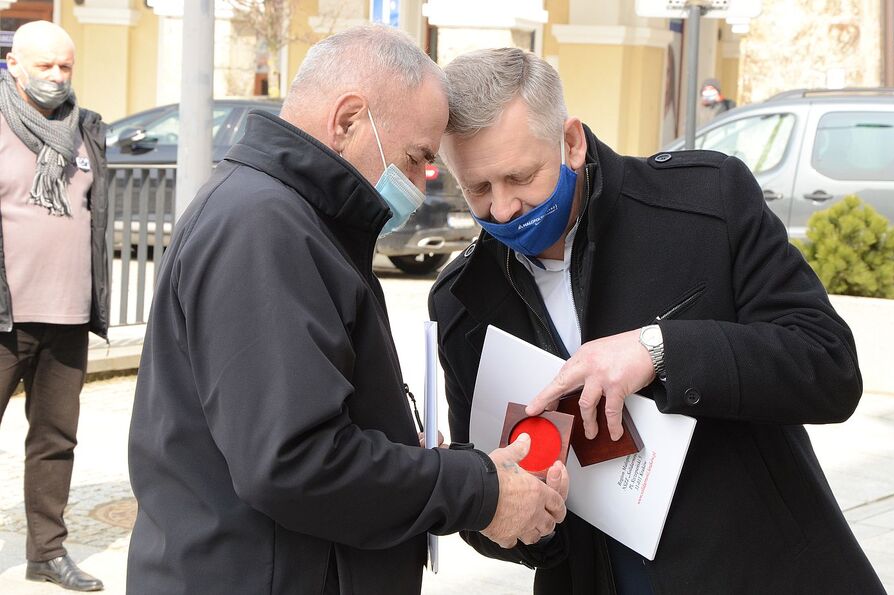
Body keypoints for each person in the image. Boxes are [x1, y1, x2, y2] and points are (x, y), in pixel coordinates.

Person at [126, 25, 568, 595]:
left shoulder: (296, 219)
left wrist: (411, 454)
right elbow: (295, 463)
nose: (419, 181)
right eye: (416, 158)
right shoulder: (266, 228)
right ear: (348, 120)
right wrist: (479, 490)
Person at [428, 48, 886, 594]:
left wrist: (658, 350)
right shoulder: (460, 303)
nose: (502, 209)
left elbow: (829, 369)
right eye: (477, 188)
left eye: (520, 177)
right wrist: (512, 512)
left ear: (571, 142)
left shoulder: (706, 201)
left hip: (762, 571)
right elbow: (494, 513)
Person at [0, 20, 108, 593]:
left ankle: (47, 553)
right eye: (44, 66)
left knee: (55, 441)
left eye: (65, 66)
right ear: (13, 64)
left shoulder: (86, 129)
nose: (57, 77)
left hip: (67, 316)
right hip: (4, 318)